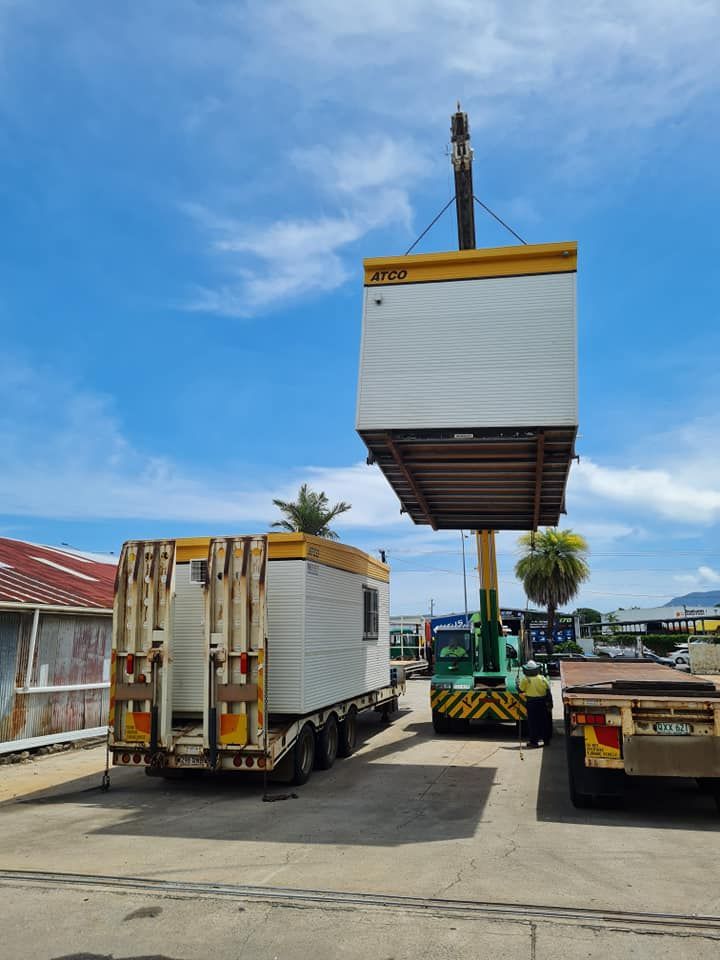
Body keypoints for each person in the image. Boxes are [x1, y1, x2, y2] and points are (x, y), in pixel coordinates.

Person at [518, 660, 552, 747]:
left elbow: (521, 690)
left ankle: (534, 742)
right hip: (542, 703)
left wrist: (517, 685)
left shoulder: (525, 680)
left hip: (531, 703)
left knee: (533, 723)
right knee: (544, 722)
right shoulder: (542, 678)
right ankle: (546, 741)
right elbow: (548, 690)